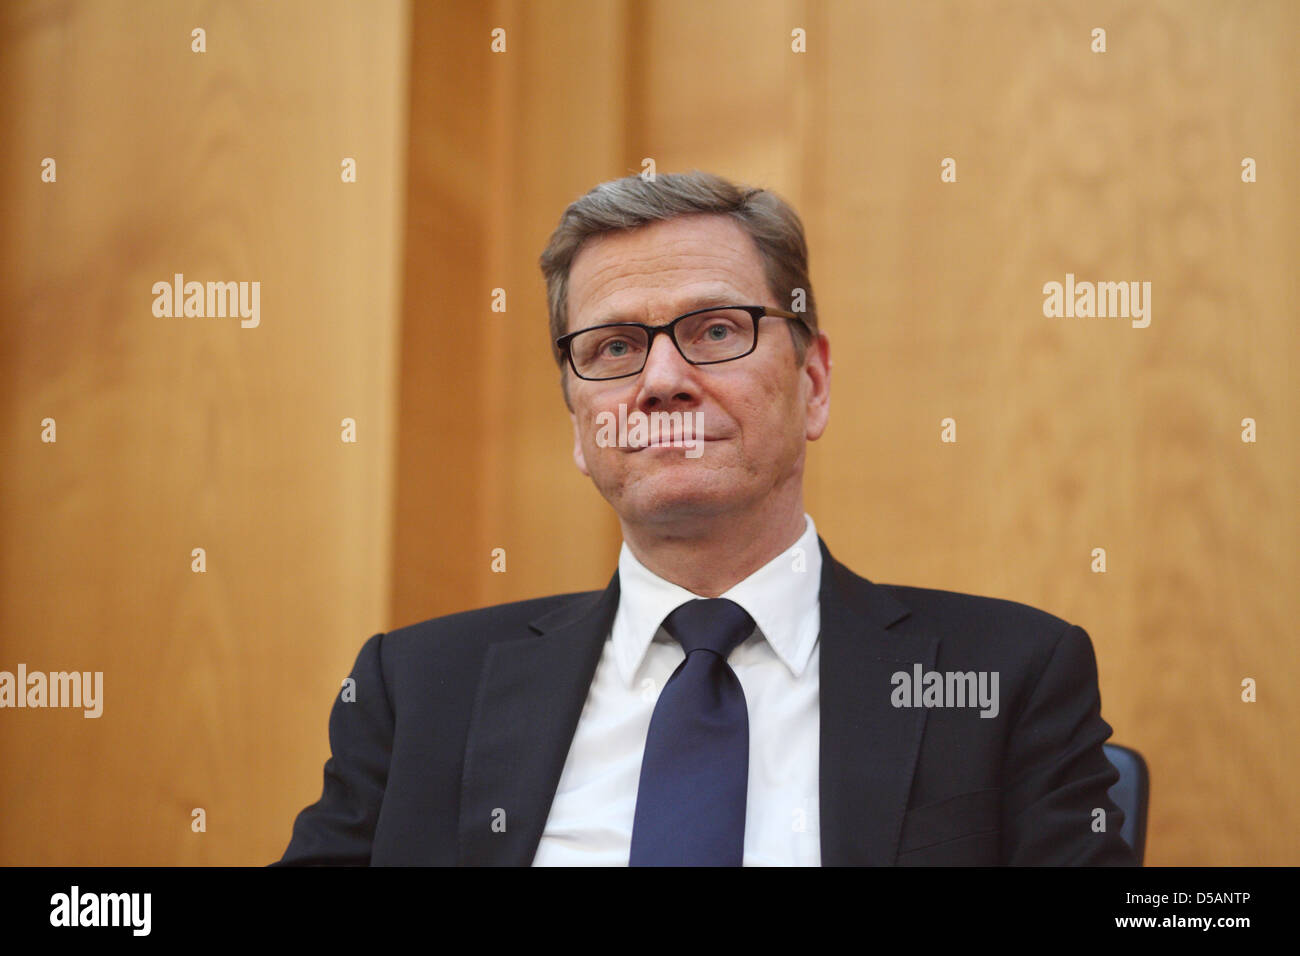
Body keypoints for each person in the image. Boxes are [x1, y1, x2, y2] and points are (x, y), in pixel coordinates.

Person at [276, 170, 1136, 866]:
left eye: (717, 329)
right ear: (580, 422)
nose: (659, 381)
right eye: (612, 348)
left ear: (814, 384)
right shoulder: (418, 688)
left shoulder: (1009, 676)